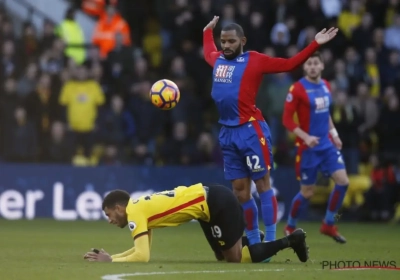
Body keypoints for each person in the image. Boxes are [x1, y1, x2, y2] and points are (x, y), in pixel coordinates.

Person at [202, 15, 338, 249]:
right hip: (227, 132)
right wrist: (207, 32)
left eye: (231, 41)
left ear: (242, 40)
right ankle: (255, 241)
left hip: (251, 131)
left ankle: (273, 238)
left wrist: (315, 44)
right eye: (223, 41)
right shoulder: (218, 60)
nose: (226, 46)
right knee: (240, 191)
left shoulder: (254, 60)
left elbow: (288, 64)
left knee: (263, 184)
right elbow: (208, 51)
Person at [83, 183, 309, 263]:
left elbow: (142, 257)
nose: (110, 220)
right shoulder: (138, 209)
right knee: (221, 255)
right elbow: (141, 250)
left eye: (109, 214)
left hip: (215, 204)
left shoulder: (135, 215)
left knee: (235, 259)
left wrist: (111, 261)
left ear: (118, 208)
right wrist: (113, 257)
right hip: (207, 207)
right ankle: (255, 239)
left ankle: (291, 240)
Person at [282, 52, 349, 243]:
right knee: (307, 193)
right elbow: (286, 120)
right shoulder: (297, 89)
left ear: (321, 66)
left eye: (315, 63)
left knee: (343, 182)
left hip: (326, 145)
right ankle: (290, 227)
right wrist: (305, 137)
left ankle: (328, 223)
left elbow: (325, 113)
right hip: (308, 149)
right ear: (304, 67)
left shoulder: (326, 85)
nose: (312, 66)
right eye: (308, 63)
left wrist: (334, 135)